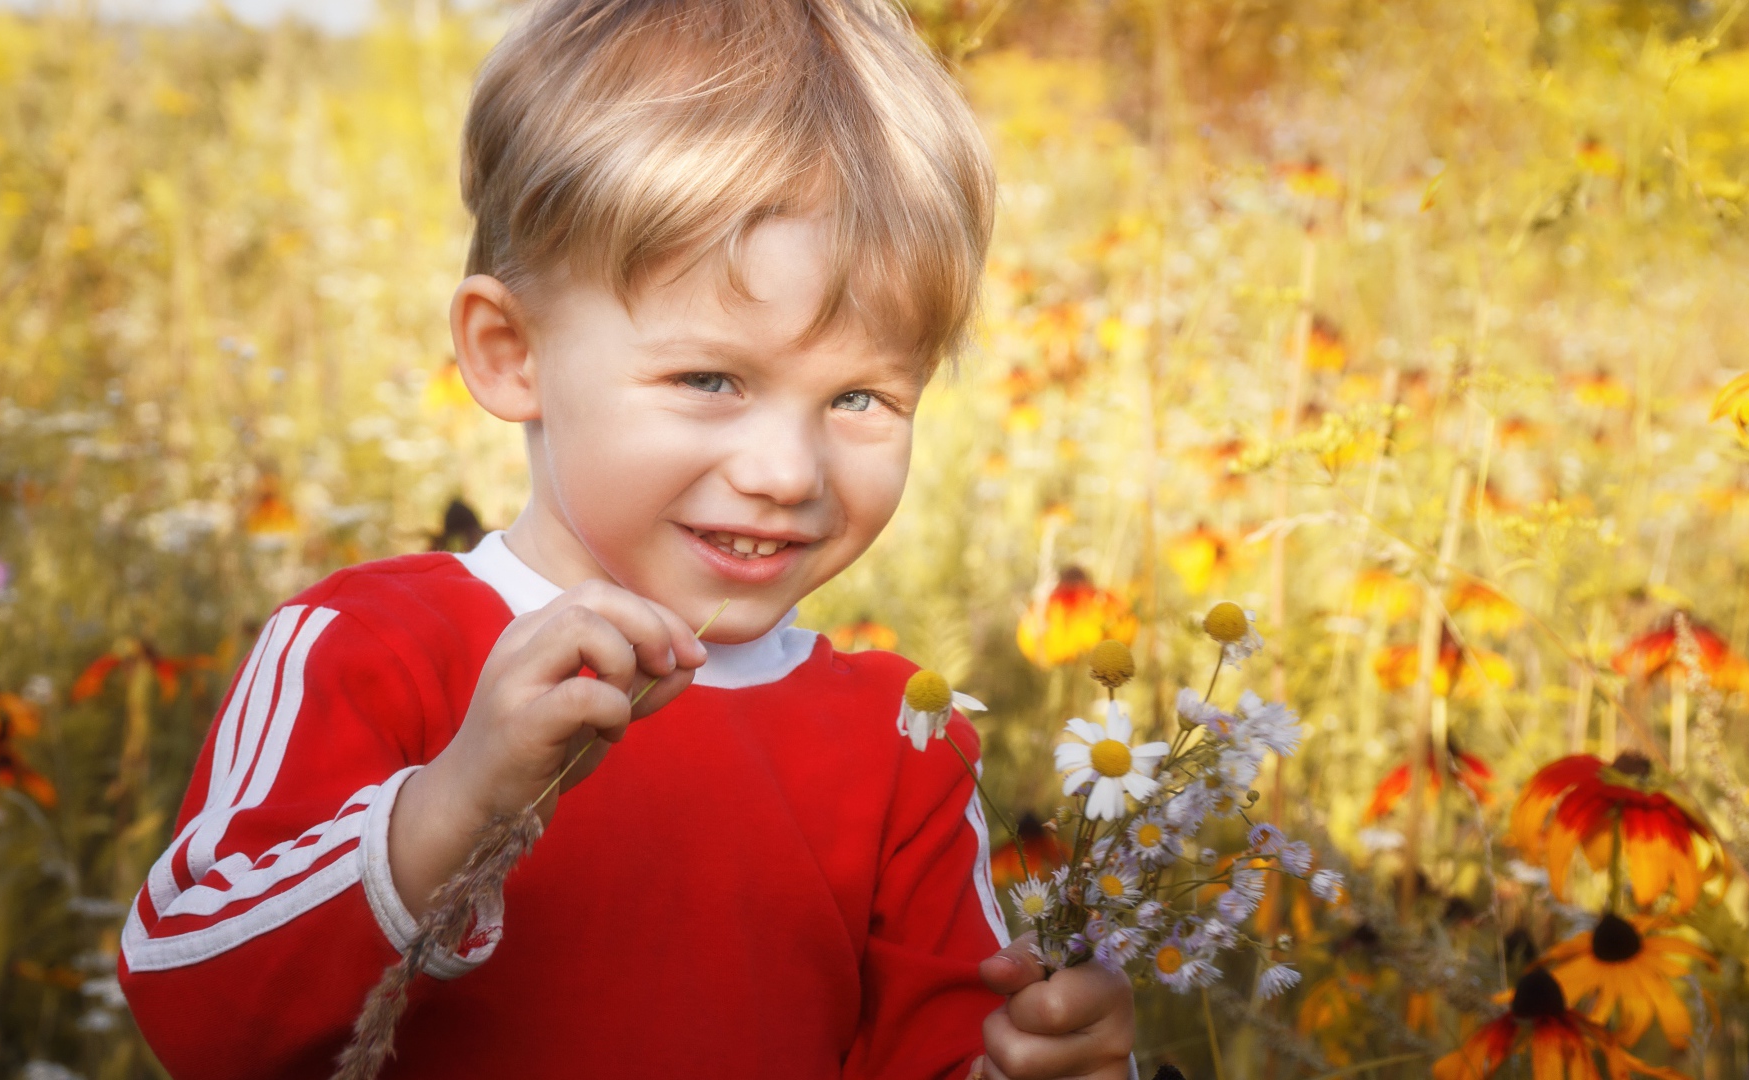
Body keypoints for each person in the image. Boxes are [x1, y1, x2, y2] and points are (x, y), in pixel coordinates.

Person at [116, 1, 1136, 1077]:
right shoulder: (366, 646)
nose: (787, 472)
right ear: (511, 353)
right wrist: (452, 804)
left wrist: (1036, 1063)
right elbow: (192, 1009)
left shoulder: (903, 747)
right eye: (710, 379)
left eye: (861, 398)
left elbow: (928, 1055)